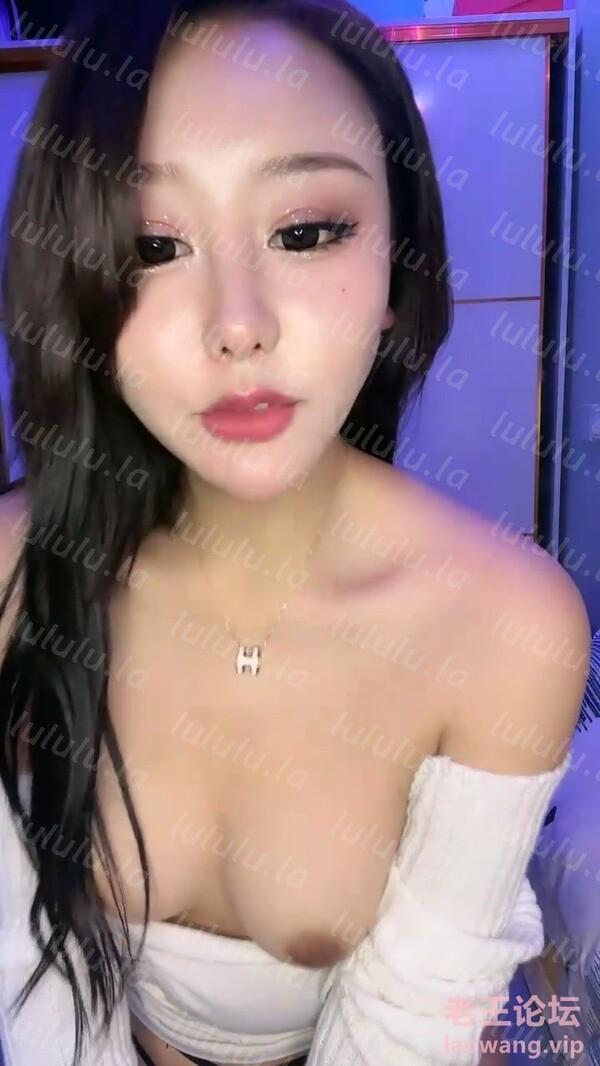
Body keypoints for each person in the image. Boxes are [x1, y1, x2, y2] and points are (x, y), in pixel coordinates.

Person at [0, 1, 591, 1064]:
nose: (239, 323)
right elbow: (29, 971)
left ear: (399, 268)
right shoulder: (13, 570)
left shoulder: (506, 623)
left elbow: (412, 1027)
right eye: (152, 246)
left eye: (307, 231)